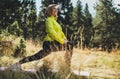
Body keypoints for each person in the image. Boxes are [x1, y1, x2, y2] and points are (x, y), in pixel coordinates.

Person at [9, 4, 73, 70]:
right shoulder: (48, 20)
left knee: (37, 56)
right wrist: (62, 41)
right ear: (49, 11)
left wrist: (65, 39)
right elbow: (51, 32)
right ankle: (17, 64)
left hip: (55, 42)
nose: (56, 10)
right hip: (49, 43)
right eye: (54, 8)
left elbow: (60, 32)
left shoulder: (55, 22)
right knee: (37, 56)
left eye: (56, 9)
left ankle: (66, 67)